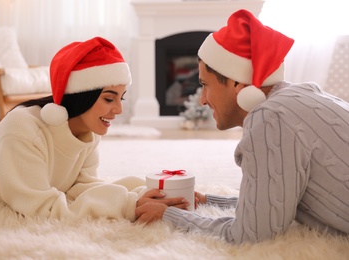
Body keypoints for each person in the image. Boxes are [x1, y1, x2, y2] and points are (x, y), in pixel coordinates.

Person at [135, 9, 349, 244]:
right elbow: (275, 203)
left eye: (205, 85)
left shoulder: (271, 118)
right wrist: (208, 201)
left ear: (237, 81)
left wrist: (168, 215)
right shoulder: (301, 97)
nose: (202, 100)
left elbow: (251, 234)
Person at [0, 37, 188, 220]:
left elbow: (82, 186)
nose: (118, 110)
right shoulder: (23, 128)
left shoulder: (89, 131)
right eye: (109, 99)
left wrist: (142, 193)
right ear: (81, 96)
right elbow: (40, 208)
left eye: (121, 98)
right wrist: (129, 207)